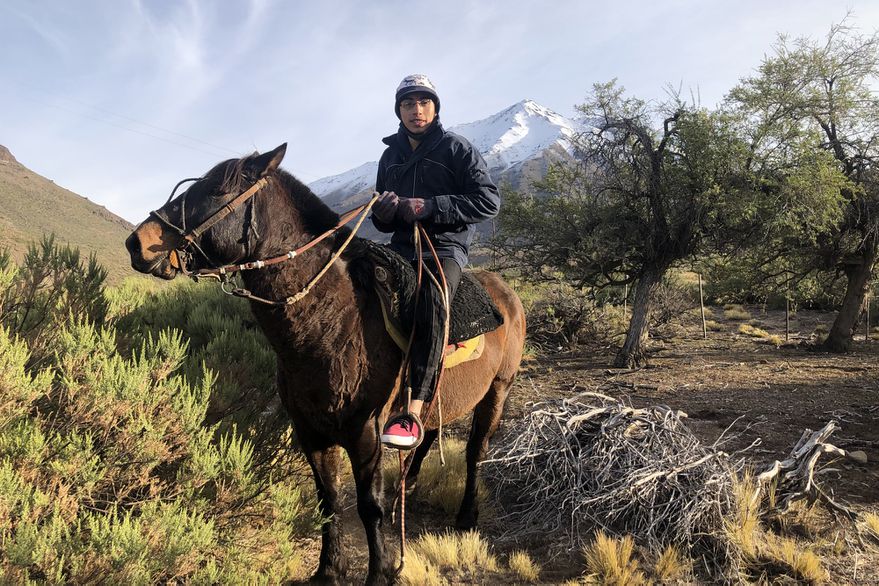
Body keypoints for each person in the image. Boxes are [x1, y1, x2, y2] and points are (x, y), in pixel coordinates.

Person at [372, 74, 500, 449]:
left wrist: (431, 206)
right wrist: (385, 211)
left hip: (444, 247)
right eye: (408, 104)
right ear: (399, 111)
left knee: (432, 299)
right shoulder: (390, 155)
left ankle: (412, 410)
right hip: (400, 246)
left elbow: (489, 201)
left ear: (435, 107)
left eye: (424, 102)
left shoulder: (457, 149)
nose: (417, 110)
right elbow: (382, 220)